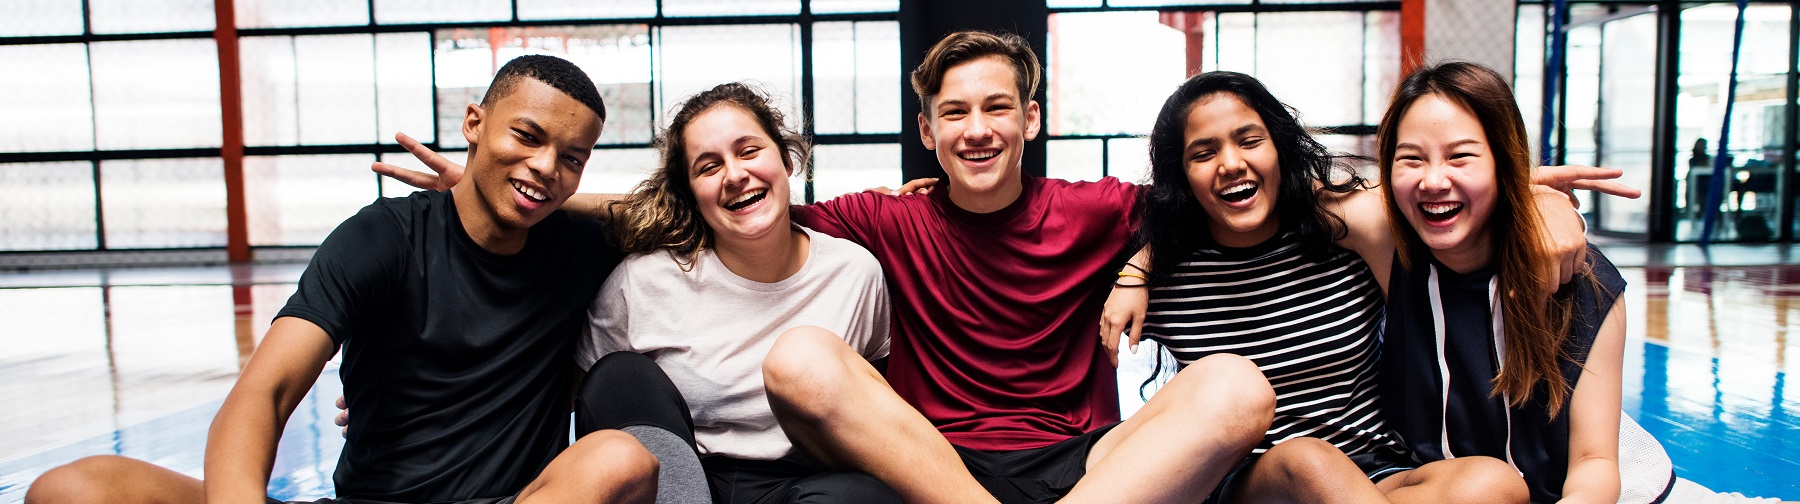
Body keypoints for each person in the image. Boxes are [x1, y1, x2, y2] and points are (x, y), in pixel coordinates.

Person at [25, 55, 659, 504]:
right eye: (526, 136)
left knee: (619, 460)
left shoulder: (579, 244)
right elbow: (267, 391)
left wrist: (523, 187)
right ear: (474, 124)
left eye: (570, 159)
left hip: (511, 499)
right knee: (73, 489)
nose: (546, 165)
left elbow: (676, 206)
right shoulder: (382, 238)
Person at [1099, 70, 1530, 503]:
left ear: (1279, 149)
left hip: (1375, 472)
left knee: (1493, 483)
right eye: (1204, 153)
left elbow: (1437, 193)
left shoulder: (1344, 233)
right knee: (1307, 461)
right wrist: (1137, 271)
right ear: (1182, 175)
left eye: (1250, 141)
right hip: (1256, 484)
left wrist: (1551, 208)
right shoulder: (1166, 279)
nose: (1231, 164)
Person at [573, 82, 900, 504]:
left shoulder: (854, 273)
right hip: (681, 481)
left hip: (799, 485)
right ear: (690, 193)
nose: (734, 175)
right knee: (618, 376)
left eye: (748, 151)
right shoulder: (642, 281)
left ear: (786, 159)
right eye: (708, 167)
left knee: (863, 497)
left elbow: (875, 411)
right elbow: (590, 400)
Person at [1376, 61, 1628, 504]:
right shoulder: (1387, 248)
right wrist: (1537, 192)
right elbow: (1291, 193)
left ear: (1502, 160)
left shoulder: (1585, 281)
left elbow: (1594, 462)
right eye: (1411, 158)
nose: (1433, 180)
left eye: (1461, 156)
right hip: (1420, 489)